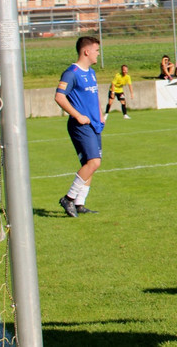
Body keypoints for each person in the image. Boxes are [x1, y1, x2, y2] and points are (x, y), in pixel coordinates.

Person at [56, 36, 105, 217]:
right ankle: (68, 198)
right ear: (87, 51)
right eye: (96, 50)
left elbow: (94, 96)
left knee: (90, 164)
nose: (98, 54)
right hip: (80, 125)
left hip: (94, 124)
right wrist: (78, 115)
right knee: (94, 162)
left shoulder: (91, 72)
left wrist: (100, 115)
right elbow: (59, 97)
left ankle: (79, 203)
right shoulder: (71, 73)